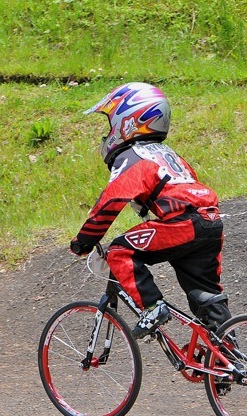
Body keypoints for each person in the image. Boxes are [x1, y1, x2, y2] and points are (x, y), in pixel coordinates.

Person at [70, 82, 231, 339]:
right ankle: (227, 358)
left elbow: (110, 203)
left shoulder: (133, 156)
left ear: (128, 121)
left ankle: (153, 307)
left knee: (120, 250)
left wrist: (83, 241)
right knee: (207, 296)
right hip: (210, 221)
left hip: (183, 224)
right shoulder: (169, 154)